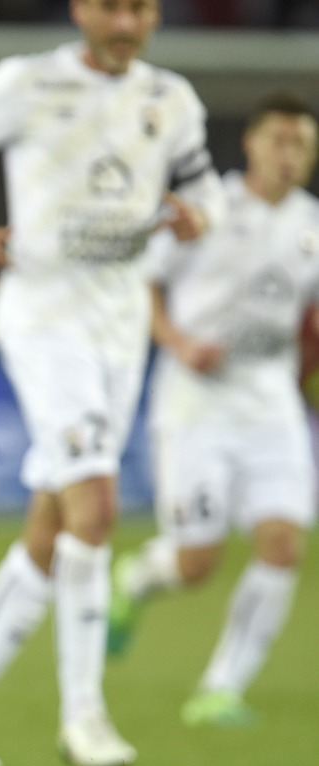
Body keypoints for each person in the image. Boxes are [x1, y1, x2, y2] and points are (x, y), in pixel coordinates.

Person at [0, 0, 226, 766]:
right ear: (83, 10)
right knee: (97, 503)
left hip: (120, 332)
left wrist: (198, 217)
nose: (127, 22)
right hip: (43, 321)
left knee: (53, 527)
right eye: (112, 7)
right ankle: (84, 716)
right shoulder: (28, 82)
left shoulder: (172, 99)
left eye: (142, 8)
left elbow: (206, 191)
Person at [108, 92, 319, 727]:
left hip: (271, 397)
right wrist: (176, 341)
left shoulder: (313, 223)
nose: (290, 155)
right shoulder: (209, 209)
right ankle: (138, 578)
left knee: (283, 544)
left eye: (301, 144)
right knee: (198, 561)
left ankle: (221, 688)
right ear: (251, 144)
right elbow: (139, 281)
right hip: (194, 398)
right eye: (278, 141)